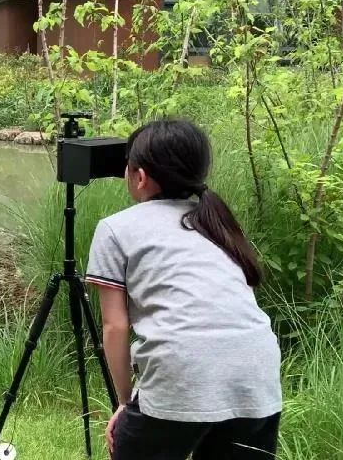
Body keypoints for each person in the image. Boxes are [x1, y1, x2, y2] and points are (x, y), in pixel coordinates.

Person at [84, 120, 282, 459]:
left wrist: (126, 403)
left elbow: (115, 326)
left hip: (182, 371)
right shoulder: (217, 223)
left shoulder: (115, 229)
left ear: (139, 177)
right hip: (258, 376)